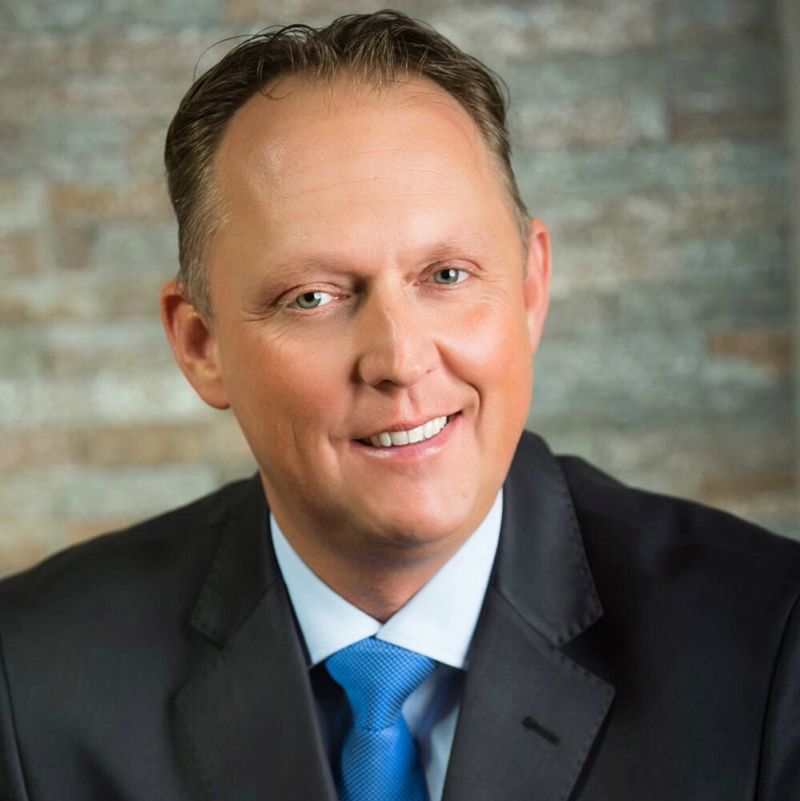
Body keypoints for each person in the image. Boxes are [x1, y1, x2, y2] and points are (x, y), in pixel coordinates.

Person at [0, 10, 798, 801]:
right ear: (200, 344)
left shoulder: (770, 647)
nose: (401, 359)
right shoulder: (29, 682)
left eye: (447, 275)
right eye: (312, 296)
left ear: (529, 290)